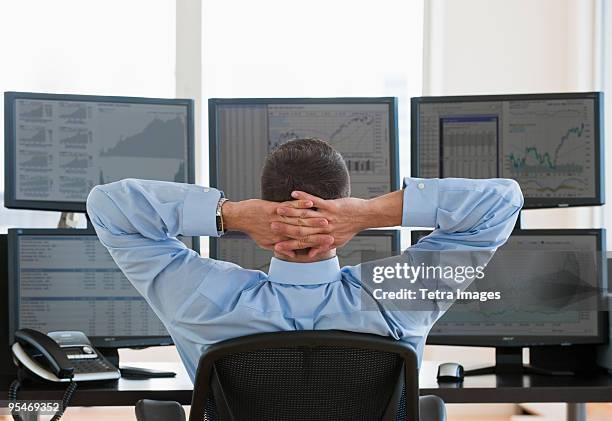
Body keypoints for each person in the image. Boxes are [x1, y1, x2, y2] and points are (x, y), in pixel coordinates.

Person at [86, 138, 523, 381]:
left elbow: (108, 207)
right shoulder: (398, 297)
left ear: (265, 204)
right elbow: (501, 204)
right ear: (342, 206)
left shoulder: (201, 301)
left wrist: (230, 214)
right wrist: (371, 213)